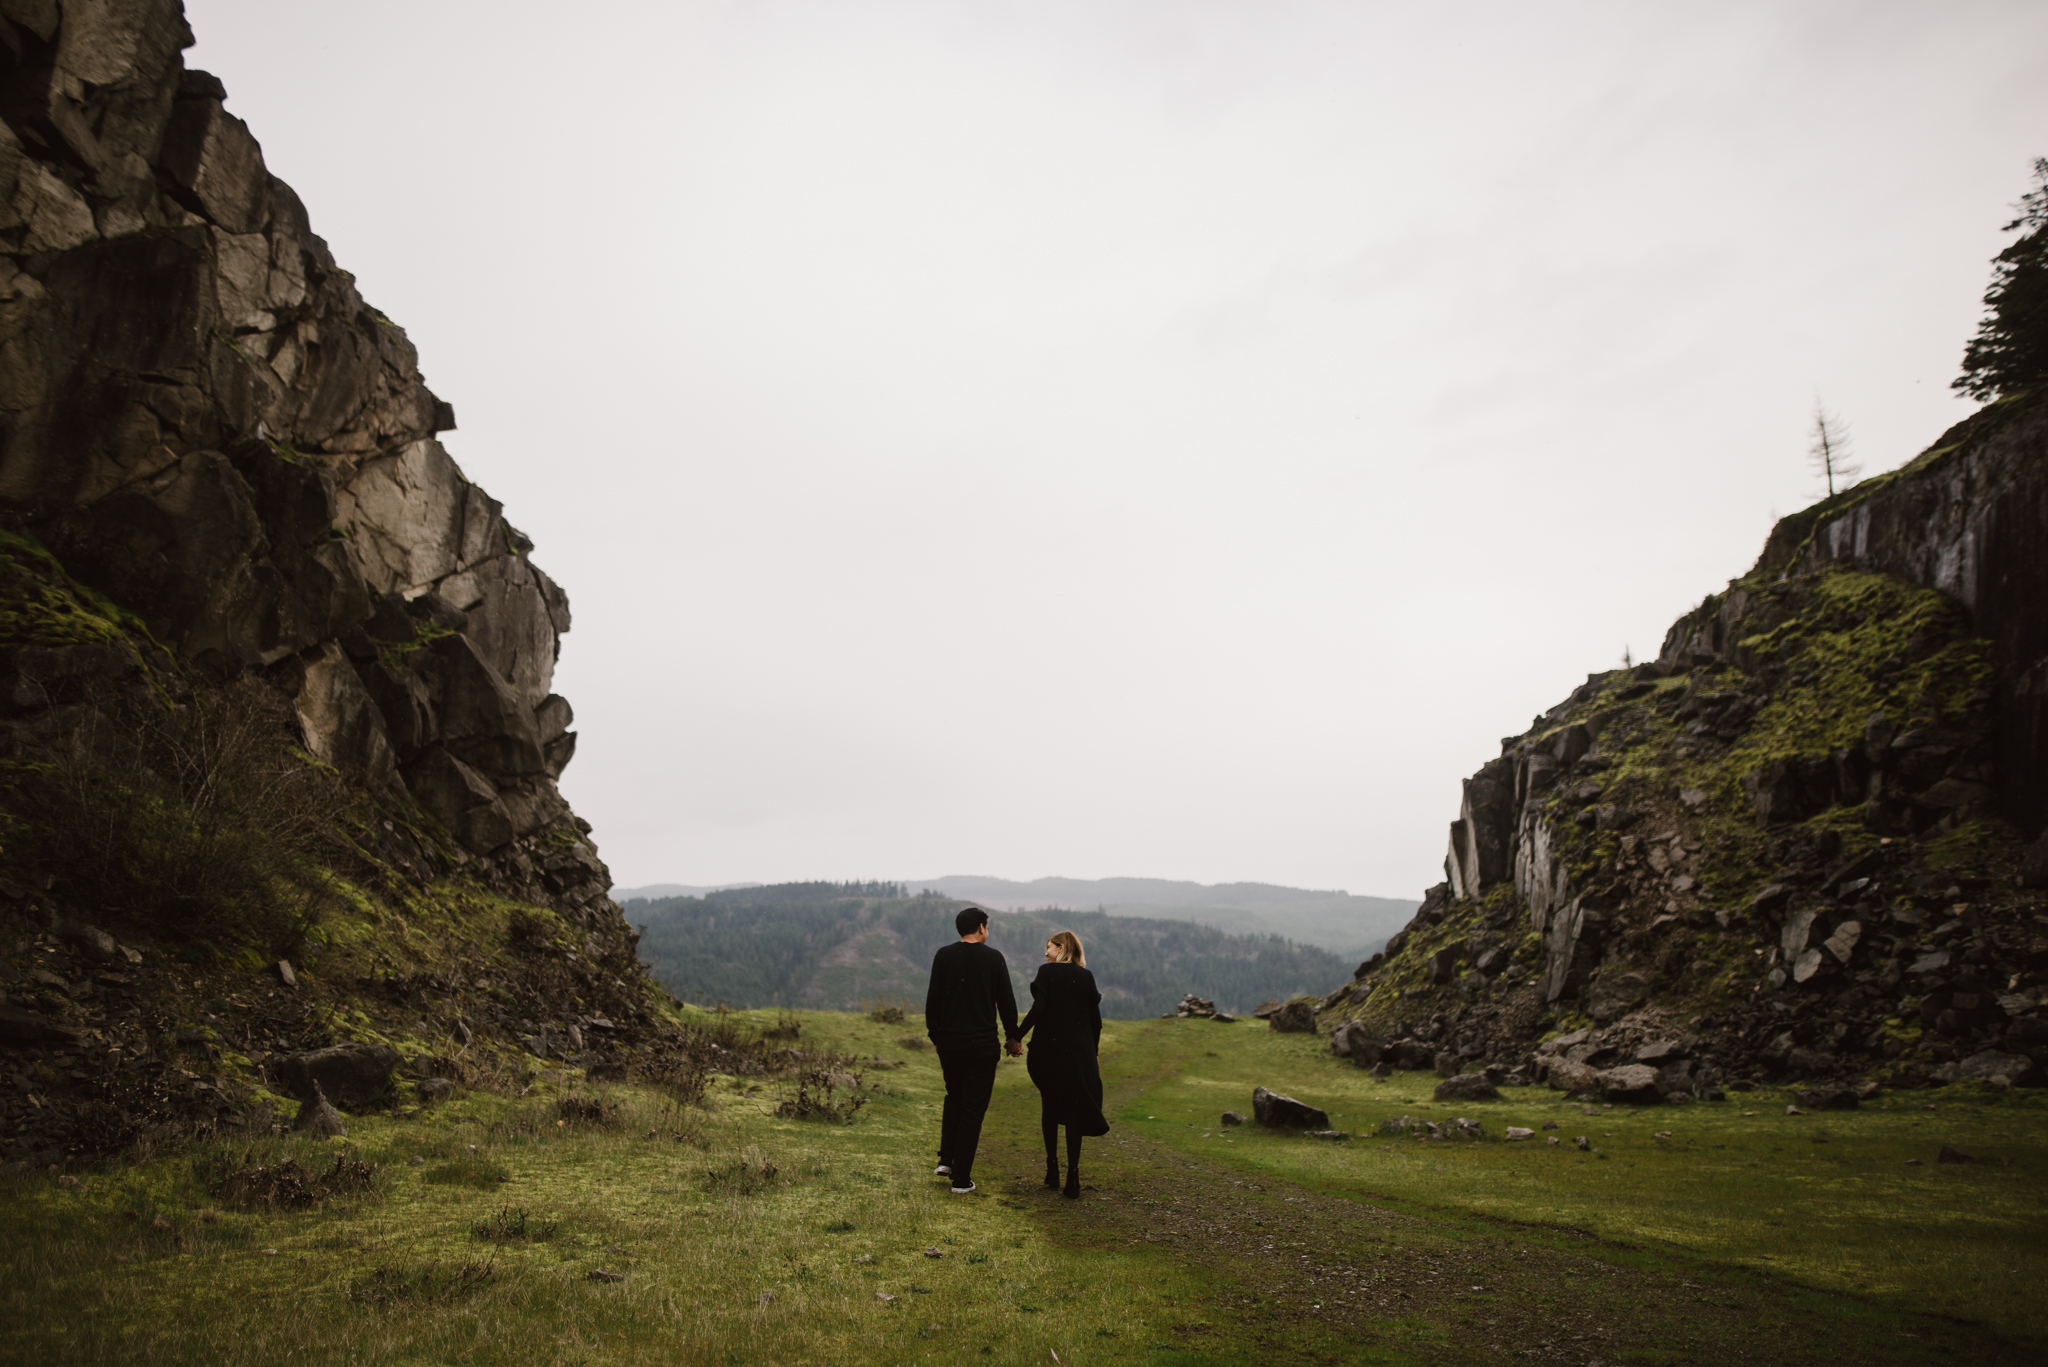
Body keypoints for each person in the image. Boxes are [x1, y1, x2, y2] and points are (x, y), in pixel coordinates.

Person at [923, 905, 1021, 1195]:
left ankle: (946, 1161)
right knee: (973, 1109)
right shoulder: (994, 959)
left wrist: (935, 1036)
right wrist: (1013, 1037)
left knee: (954, 1098)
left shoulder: (944, 955)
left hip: (950, 1044)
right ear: (981, 927)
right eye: (986, 927)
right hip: (982, 1046)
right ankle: (961, 1179)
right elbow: (1006, 1001)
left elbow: (933, 1000)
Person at [1013, 929, 1108, 1198]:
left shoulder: (1047, 972)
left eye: (1050, 946)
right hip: (1080, 1054)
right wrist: (1094, 1052)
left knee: (1050, 1103)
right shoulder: (1086, 977)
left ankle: (1052, 1168)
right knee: (1074, 1110)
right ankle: (1073, 1177)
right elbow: (1095, 1021)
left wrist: (1016, 1037)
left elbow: (1038, 1009)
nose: (1046, 952)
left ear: (1062, 947)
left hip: (1048, 1053)